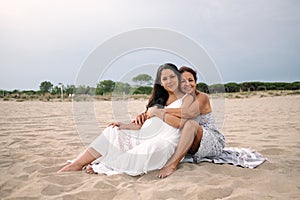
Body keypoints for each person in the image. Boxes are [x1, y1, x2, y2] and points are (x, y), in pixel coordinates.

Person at [58, 63, 196, 175]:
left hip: (165, 142)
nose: (169, 81)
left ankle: (107, 165)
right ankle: (78, 163)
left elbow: (180, 123)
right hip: (144, 135)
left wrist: (158, 112)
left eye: (172, 77)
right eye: (164, 79)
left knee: (150, 147)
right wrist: (125, 126)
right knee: (113, 131)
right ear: (160, 83)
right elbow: (143, 124)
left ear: (178, 78)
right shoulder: (159, 100)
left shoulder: (187, 98)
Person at [134, 66, 226, 178]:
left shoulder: (202, 97)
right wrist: (144, 115)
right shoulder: (182, 99)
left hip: (210, 139)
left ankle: (172, 164)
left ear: (196, 82)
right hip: (188, 140)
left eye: (191, 80)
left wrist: (159, 111)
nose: (187, 84)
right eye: (183, 81)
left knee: (190, 124)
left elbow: (188, 113)